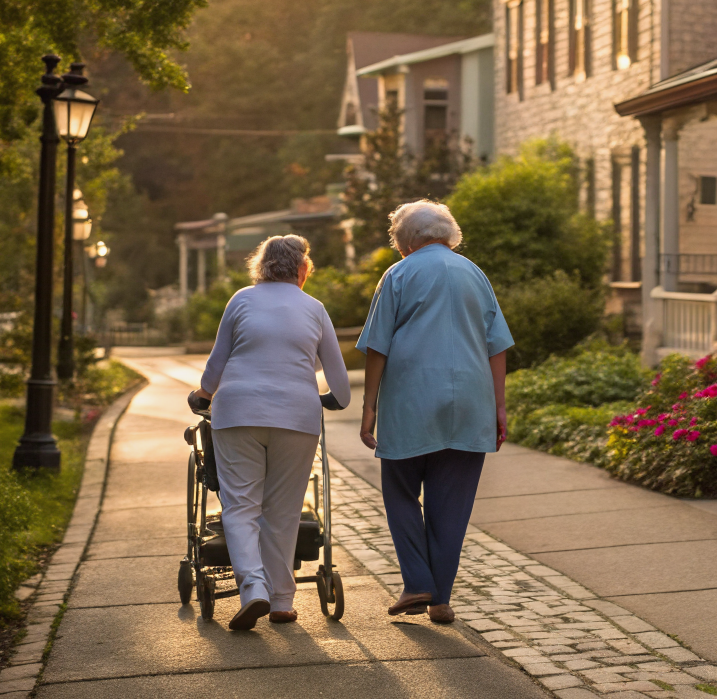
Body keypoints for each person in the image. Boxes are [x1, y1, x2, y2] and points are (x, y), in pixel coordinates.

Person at [357, 200, 512, 625]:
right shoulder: (474, 274)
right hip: (471, 402)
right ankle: (440, 598)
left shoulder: (399, 274)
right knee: (452, 505)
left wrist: (369, 407)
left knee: (401, 491)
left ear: (405, 241)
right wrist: (499, 406)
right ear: (448, 235)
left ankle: (417, 583)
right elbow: (496, 344)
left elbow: (377, 345)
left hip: (412, 400)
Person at [193, 234, 351, 631]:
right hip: (297, 417)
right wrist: (330, 400)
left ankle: (253, 591)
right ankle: (281, 601)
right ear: (302, 269)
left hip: (238, 413)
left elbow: (217, 363)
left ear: (261, 267)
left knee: (242, 507)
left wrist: (202, 394)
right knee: (282, 512)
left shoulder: (241, 300)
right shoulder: (314, 308)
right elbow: (341, 387)